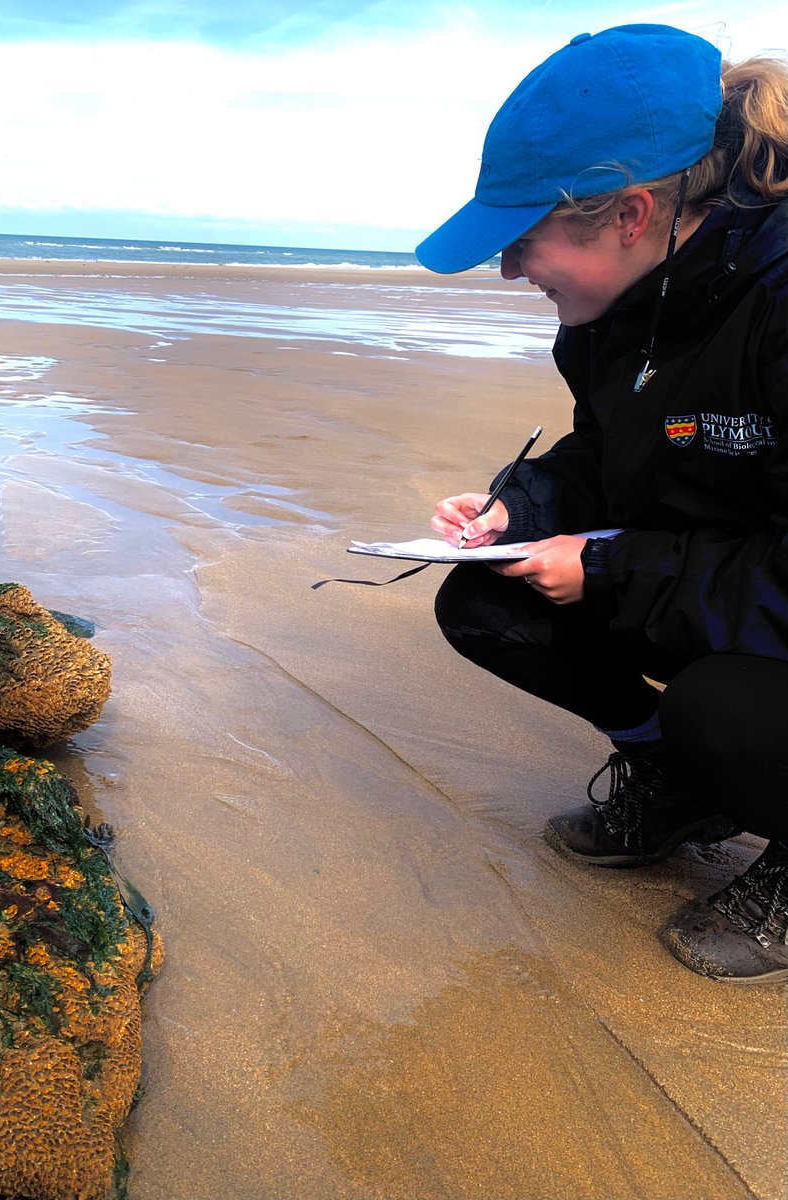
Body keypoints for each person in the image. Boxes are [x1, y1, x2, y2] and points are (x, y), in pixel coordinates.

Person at [416, 24, 788, 984]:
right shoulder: (615, 311)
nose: (507, 270)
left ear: (629, 213)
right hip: (722, 576)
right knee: (489, 600)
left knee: (727, 710)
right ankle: (679, 789)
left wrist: (614, 571)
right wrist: (522, 507)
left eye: (521, 239)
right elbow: (617, 456)